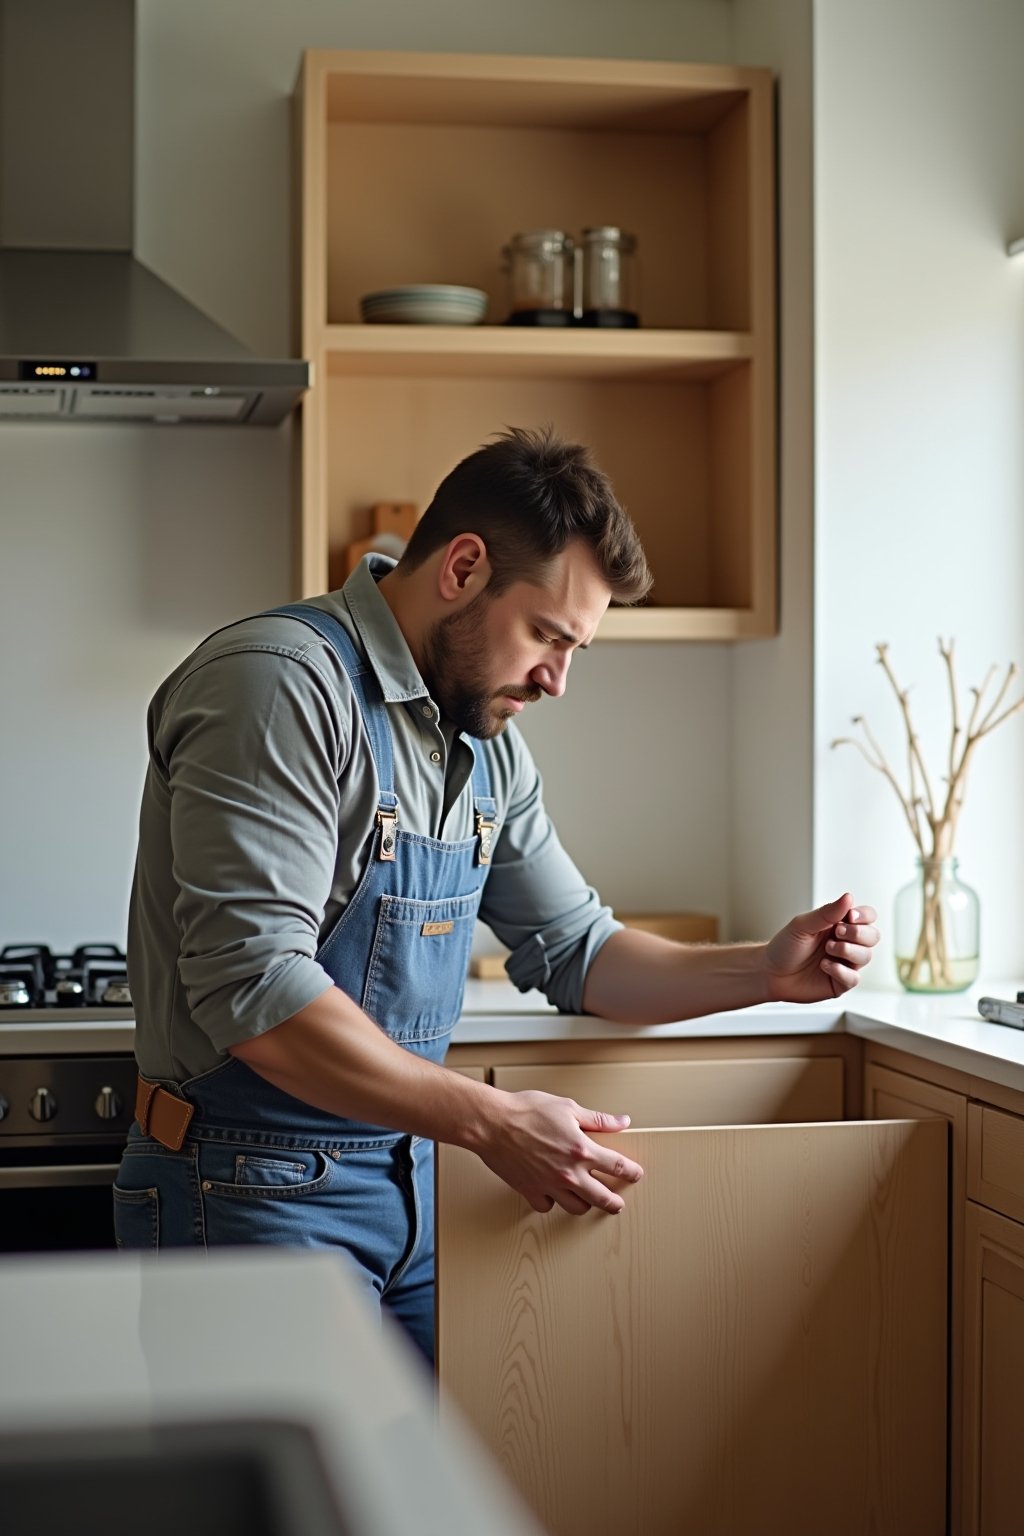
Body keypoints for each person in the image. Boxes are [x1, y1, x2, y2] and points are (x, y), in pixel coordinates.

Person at [114, 426, 878, 1363]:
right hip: (244, 1192)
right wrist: (493, 1121)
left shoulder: (483, 745)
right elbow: (255, 991)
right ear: (464, 567)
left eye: (576, 648)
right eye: (548, 636)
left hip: (412, 1186)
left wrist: (761, 969)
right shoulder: (280, 686)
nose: (558, 679)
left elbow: (579, 950)